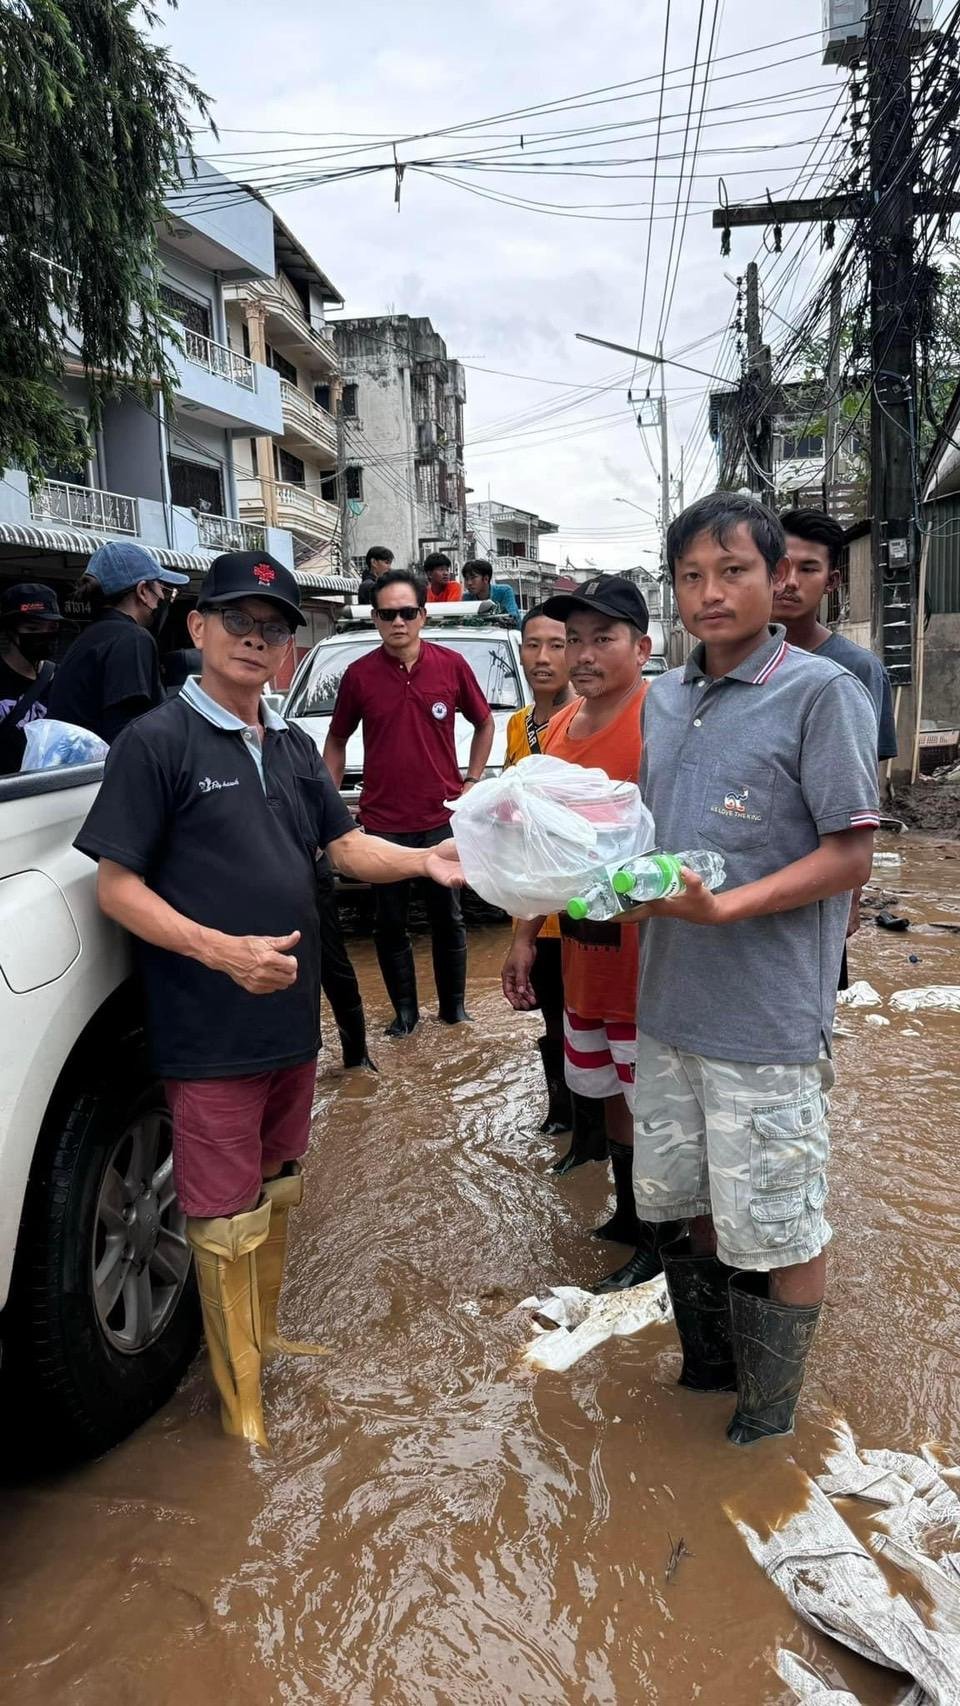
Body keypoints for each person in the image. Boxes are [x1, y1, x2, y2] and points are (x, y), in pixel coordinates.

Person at [74, 550, 464, 1448]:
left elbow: (344, 847)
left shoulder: (288, 746)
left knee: (279, 1180)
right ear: (198, 627)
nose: (256, 639)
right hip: (209, 1028)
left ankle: (267, 1339)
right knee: (219, 1213)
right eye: (238, 621)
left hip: (291, 1022)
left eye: (274, 628)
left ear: (291, 649)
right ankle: (238, 1400)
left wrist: (425, 860)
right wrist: (222, 953)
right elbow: (118, 890)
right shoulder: (157, 743)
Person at [625, 494, 878, 1446]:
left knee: (782, 1222)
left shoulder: (822, 693)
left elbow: (851, 854)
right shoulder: (664, 696)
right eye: (691, 576)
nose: (711, 593)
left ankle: (768, 1418)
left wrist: (726, 907)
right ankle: (708, 1368)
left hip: (766, 1019)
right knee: (689, 1202)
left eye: (733, 571)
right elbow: (652, 840)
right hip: (668, 1007)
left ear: (776, 580)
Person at [501, 577, 663, 1289]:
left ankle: (663, 1241)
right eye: (575, 640)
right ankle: (629, 1217)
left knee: (655, 1103)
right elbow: (544, 852)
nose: (584, 654)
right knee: (608, 1094)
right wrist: (522, 936)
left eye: (604, 638)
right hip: (582, 952)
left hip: (649, 962)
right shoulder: (559, 730)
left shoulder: (662, 719)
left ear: (642, 647)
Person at [323, 568, 494, 1035]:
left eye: (406, 612)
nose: (397, 622)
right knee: (389, 923)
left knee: (448, 918)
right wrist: (328, 803)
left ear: (422, 615)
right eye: (387, 614)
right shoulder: (359, 676)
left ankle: (454, 1011)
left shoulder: (451, 666)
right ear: (375, 619)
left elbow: (484, 723)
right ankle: (404, 1015)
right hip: (383, 824)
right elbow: (336, 739)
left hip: (441, 819)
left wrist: (472, 781)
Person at [776, 507, 898, 973]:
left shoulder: (856, 670)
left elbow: (861, 795)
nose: (790, 583)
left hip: (819, 878)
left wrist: (852, 896)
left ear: (831, 582)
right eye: (781, 567)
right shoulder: (731, 660)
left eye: (808, 569)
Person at [48, 541, 189, 742]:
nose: (163, 599)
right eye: (164, 590)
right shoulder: (132, 638)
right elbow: (129, 735)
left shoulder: (91, 636)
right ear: (143, 591)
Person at [316, 852, 376, 1071]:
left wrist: (423, 859)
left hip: (312, 867)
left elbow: (347, 844)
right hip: (253, 878)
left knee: (334, 965)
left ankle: (357, 1059)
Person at [0, 582, 64, 773]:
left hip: (50, 784)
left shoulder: (62, 679)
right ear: (9, 631)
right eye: (32, 629)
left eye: (52, 628)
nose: (45, 636)